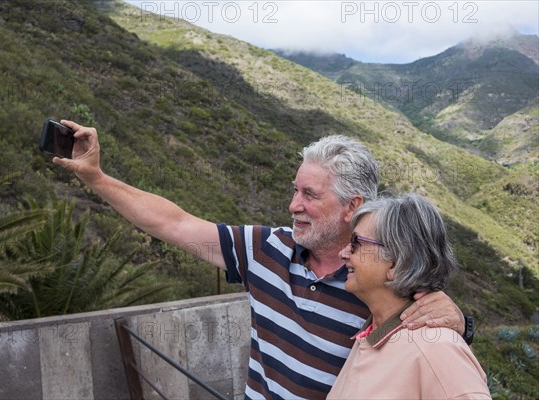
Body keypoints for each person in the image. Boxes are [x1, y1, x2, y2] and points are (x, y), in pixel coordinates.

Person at [53, 120, 467, 399]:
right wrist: (97, 178)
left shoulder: (376, 277)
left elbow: (436, 346)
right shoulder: (265, 248)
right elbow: (174, 224)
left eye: (309, 195)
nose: (293, 205)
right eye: (294, 190)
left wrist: (462, 321)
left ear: (351, 205)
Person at [327, 194, 490, 399]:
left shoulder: (436, 350)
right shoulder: (373, 333)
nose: (344, 253)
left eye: (356, 243)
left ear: (395, 262)